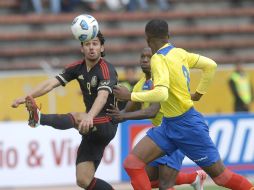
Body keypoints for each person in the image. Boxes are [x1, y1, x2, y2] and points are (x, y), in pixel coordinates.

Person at [113, 19, 254, 190]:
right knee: (132, 163)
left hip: (187, 125)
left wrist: (130, 95)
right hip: (168, 125)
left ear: (147, 39)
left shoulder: (158, 59)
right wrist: (199, 93)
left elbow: (162, 93)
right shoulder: (179, 53)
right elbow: (211, 65)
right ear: (168, 36)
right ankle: (194, 179)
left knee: (221, 177)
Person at [12, 31, 118, 190]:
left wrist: (89, 116)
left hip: (106, 122)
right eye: (87, 44)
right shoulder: (77, 67)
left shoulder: (106, 69)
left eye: (95, 43)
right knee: (83, 179)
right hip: (91, 125)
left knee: (77, 117)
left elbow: (102, 96)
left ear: (102, 48)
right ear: (82, 48)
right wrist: (26, 96)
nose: (91, 47)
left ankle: (39, 118)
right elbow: (51, 83)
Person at [107, 47, 207, 189]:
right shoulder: (140, 84)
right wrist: (111, 114)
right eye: (142, 56)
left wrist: (123, 115)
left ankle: (194, 178)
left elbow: (153, 111)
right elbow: (125, 112)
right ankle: (194, 177)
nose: (145, 60)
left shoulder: (162, 80)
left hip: (175, 133)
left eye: (149, 56)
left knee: (164, 185)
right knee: (142, 178)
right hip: (159, 138)